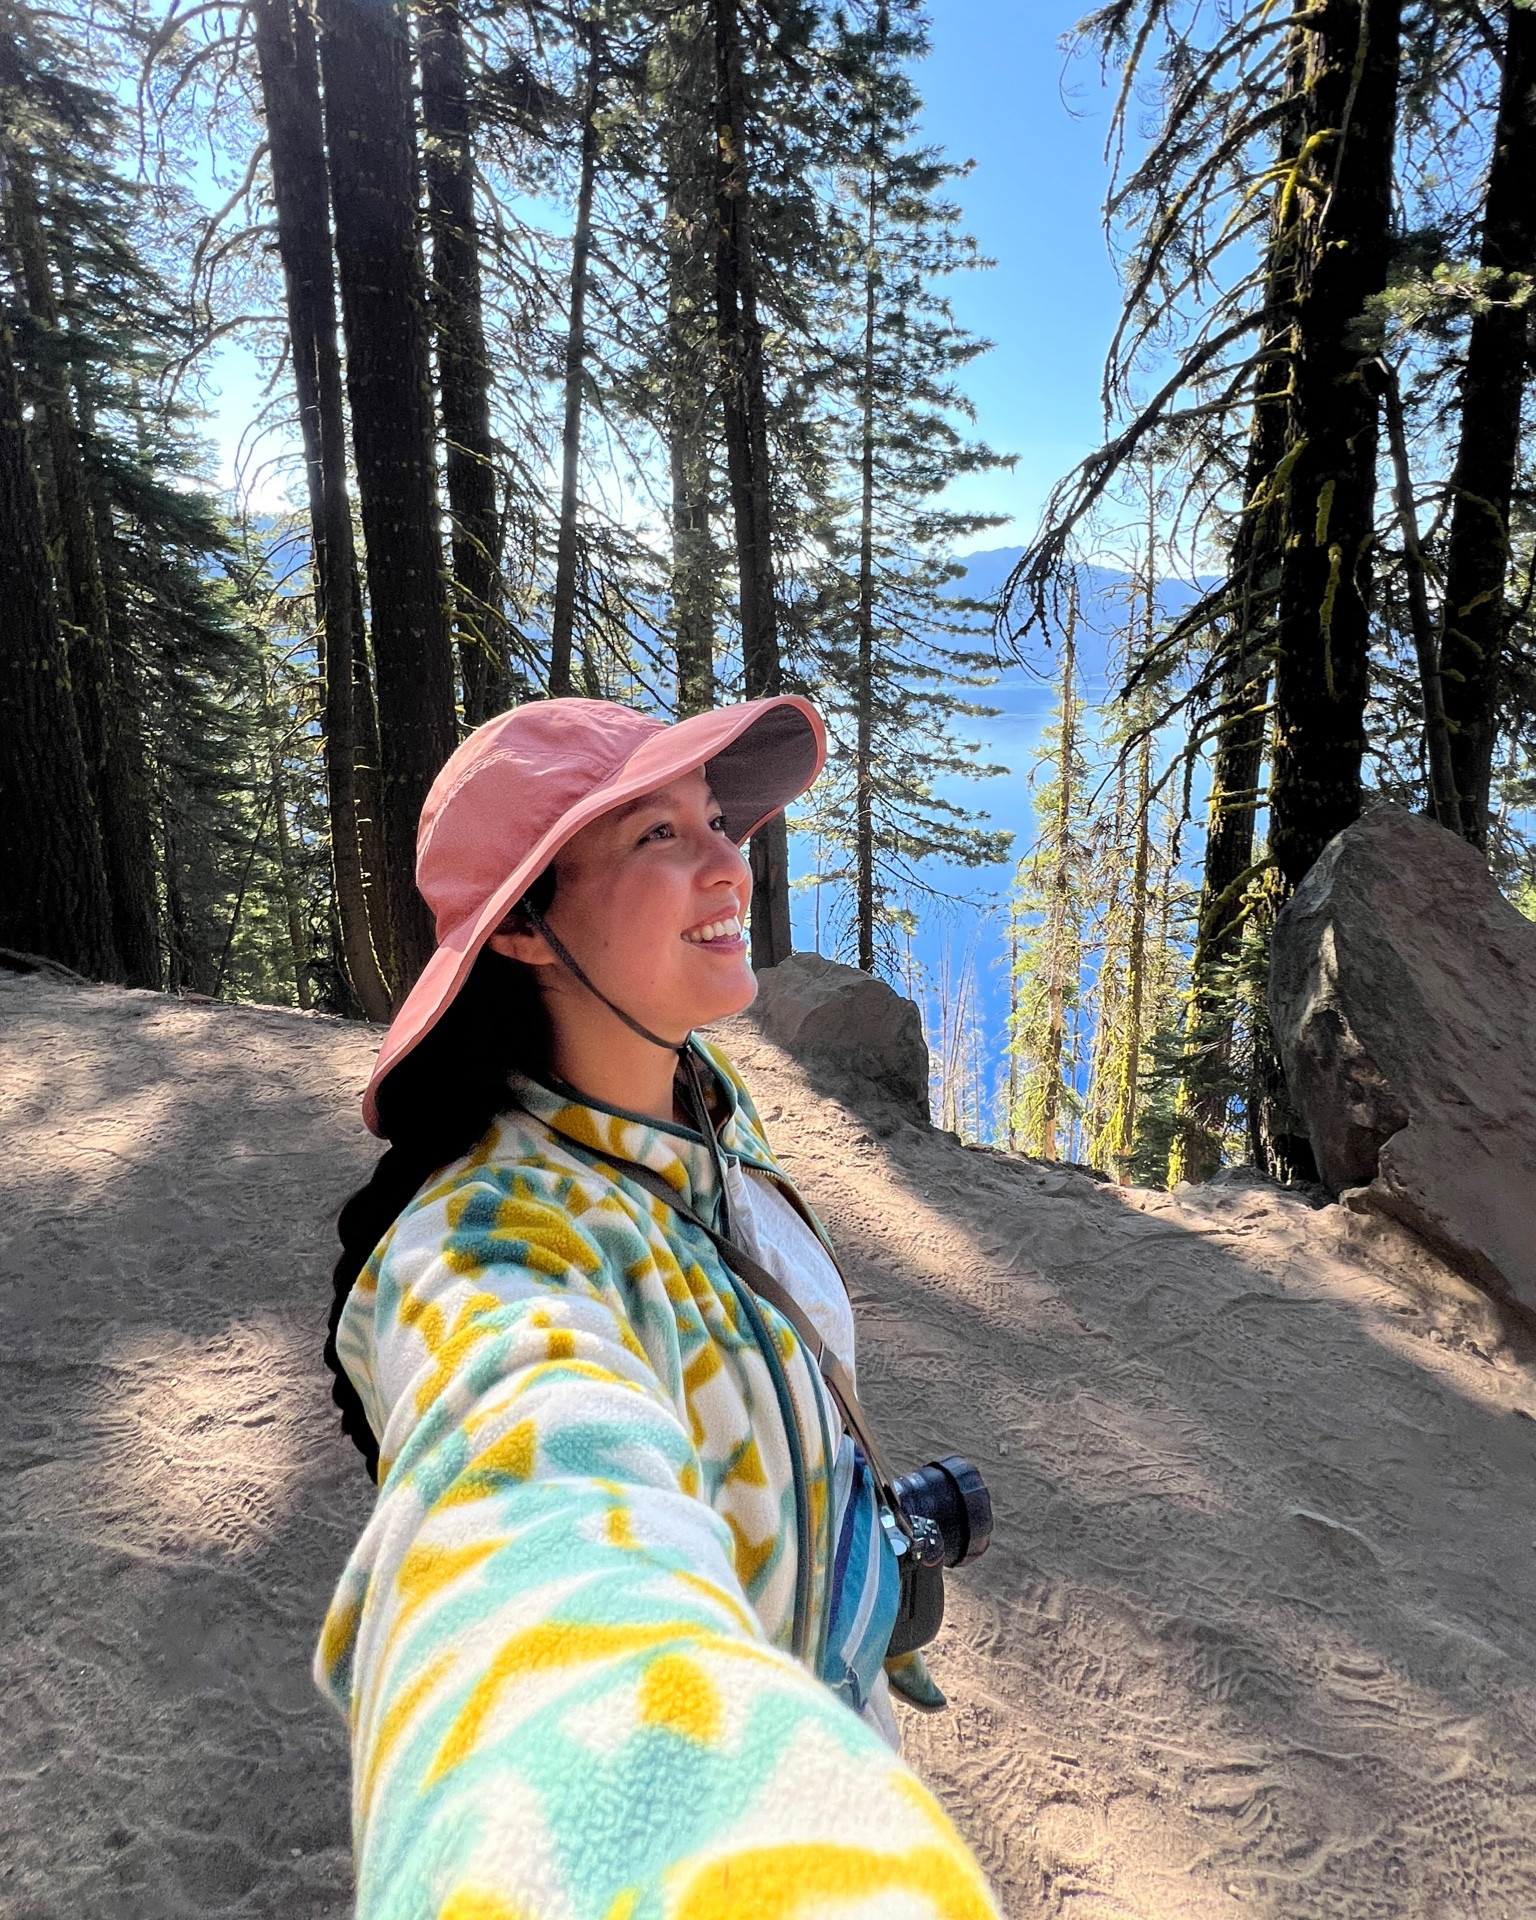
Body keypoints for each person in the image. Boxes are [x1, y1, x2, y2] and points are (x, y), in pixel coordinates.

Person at [317, 695, 999, 1919]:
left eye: (716, 820)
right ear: (524, 925)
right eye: (656, 836)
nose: (731, 858)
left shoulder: (698, 1099)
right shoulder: (492, 1253)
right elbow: (526, 1548)